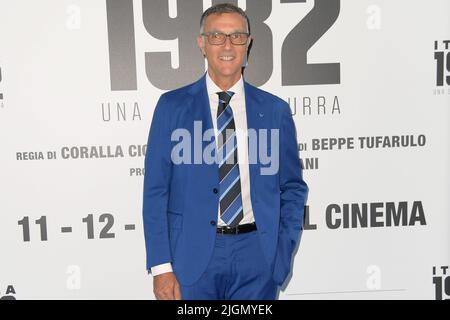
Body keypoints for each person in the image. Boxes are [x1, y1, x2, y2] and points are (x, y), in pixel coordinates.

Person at [142, 3, 308, 300]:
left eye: (237, 36)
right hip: (190, 258)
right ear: (202, 43)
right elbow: (155, 192)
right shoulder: (172, 107)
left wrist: (280, 256)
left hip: (258, 258)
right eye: (217, 36)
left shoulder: (274, 110)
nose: (228, 45)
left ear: (249, 43)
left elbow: (293, 188)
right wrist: (161, 267)